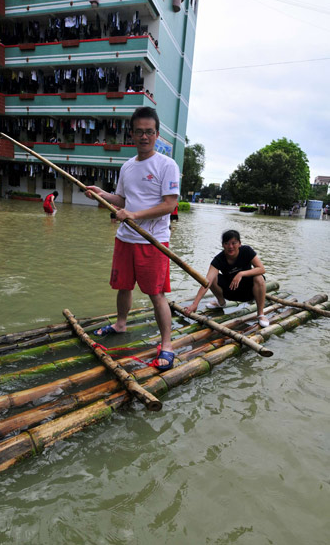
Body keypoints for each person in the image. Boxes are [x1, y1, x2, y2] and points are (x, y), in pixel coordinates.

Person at [85, 106, 179, 369]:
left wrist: (135, 215)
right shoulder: (127, 166)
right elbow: (122, 200)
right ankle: (121, 324)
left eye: (149, 132)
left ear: (157, 135)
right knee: (123, 286)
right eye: (139, 132)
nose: (144, 137)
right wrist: (102, 194)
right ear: (132, 134)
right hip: (125, 238)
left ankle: (167, 344)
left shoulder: (167, 165)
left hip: (154, 241)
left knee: (156, 294)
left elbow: (169, 205)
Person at [184, 230, 270, 327]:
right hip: (230, 291)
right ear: (223, 245)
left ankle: (261, 314)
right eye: (227, 243)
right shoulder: (218, 259)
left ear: (240, 244)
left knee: (259, 277)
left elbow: (262, 269)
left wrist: (241, 274)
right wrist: (195, 304)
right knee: (212, 278)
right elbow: (207, 282)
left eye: (234, 243)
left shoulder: (247, 251)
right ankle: (221, 302)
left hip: (249, 292)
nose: (230, 247)